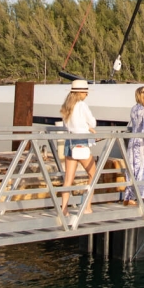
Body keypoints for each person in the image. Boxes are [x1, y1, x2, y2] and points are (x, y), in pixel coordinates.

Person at [60, 79, 96, 216]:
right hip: (82, 142)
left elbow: (67, 126)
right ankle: (87, 206)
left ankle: (64, 209)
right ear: (80, 92)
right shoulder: (82, 105)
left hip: (70, 142)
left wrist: (85, 127)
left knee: (68, 178)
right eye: (85, 91)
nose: (87, 94)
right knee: (93, 174)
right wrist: (89, 127)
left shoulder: (67, 107)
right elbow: (92, 121)